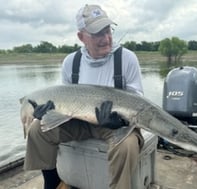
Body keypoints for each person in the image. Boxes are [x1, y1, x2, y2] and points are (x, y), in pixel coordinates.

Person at [24, 4, 144, 189]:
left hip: (115, 125)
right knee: (36, 130)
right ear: (81, 37)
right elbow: (65, 101)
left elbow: (138, 101)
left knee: (127, 146)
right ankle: (53, 182)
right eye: (97, 34)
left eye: (107, 30)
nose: (106, 38)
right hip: (79, 121)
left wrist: (119, 121)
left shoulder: (127, 58)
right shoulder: (71, 62)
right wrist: (47, 112)